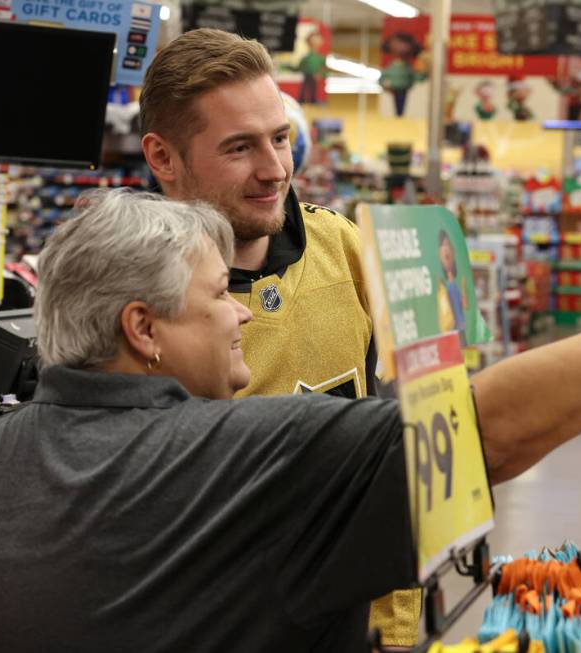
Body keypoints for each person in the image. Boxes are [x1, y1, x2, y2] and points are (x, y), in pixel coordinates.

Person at [0, 184, 581, 652]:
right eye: (215, 294)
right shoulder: (244, 461)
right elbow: (490, 429)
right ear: (141, 329)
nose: (241, 309)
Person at [138, 28, 418, 643]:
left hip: (371, 624)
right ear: (163, 157)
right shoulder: (133, 301)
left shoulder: (343, 246)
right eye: (240, 148)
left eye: (281, 138)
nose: (275, 170)